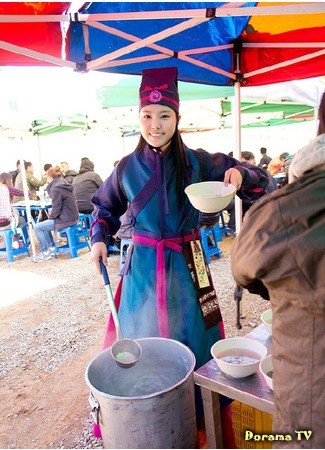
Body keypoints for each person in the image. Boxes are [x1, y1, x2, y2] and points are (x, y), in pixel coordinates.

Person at [89, 67, 269, 445]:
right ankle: (143, 416)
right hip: (141, 266)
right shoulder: (124, 168)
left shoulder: (200, 162)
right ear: (138, 117)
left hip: (191, 261)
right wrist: (98, 238)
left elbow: (257, 178)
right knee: (141, 340)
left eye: (164, 115)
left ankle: (200, 417)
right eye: (147, 116)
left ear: (177, 118)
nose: (155, 125)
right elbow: (103, 209)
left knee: (197, 337)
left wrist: (238, 175)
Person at [230, 93, 325, 449]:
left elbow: (243, 270)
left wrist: (284, 288)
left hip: (310, 398)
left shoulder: (279, 211)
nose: (155, 124)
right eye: (147, 115)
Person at [34, 166, 79, 262]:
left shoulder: (56, 188)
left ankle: (45, 252)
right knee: (45, 224)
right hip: (73, 216)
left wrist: (51, 218)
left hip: (65, 219)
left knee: (38, 227)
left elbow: (56, 208)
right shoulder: (63, 183)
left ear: (50, 177)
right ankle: (52, 248)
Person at [0, 172, 27, 247]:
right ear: (8, 180)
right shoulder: (8, 188)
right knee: (21, 219)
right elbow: (25, 193)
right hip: (6, 223)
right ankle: (15, 240)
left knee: (16, 216)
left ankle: (11, 242)